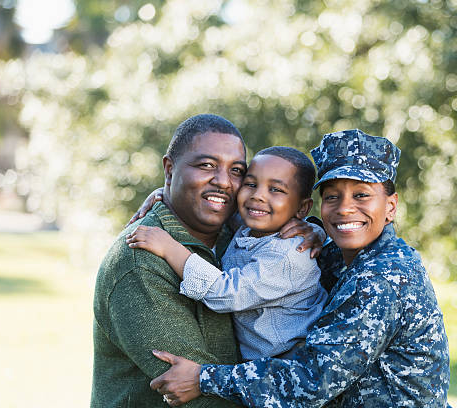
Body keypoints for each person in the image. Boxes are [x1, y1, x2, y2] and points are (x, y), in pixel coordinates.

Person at [147, 129, 451, 407]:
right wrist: (172, 194)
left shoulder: (382, 276)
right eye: (332, 197)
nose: (345, 208)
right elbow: (255, 229)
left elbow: (312, 381)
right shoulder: (339, 252)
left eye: (361, 195)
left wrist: (204, 378)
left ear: (391, 207)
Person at [91, 114, 324, 407]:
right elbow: (197, 397)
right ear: (169, 169)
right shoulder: (141, 261)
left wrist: (315, 229)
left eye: (237, 171)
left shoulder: (236, 232)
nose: (224, 182)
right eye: (206, 165)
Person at [125, 146, 328, 360]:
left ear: (303, 209)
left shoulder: (289, 255)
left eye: (276, 189)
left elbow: (226, 292)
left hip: (288, 365)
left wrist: (170, 248)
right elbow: (216, 204)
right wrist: (167, 192)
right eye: (250, 184)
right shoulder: (252, 226)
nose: (258, 196)